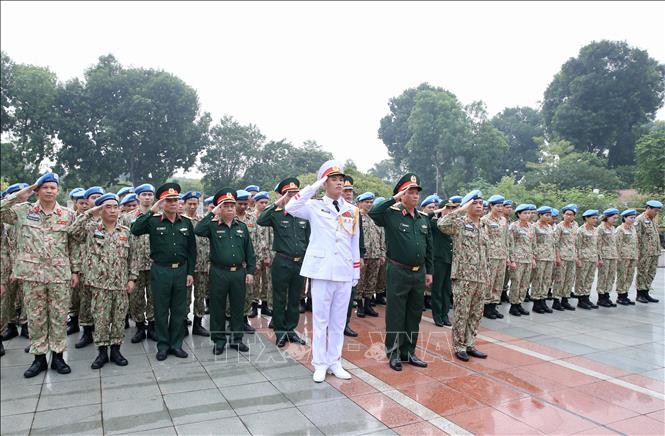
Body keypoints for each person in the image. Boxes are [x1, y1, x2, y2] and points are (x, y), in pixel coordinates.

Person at [285, 160, 360, 383]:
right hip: (321, 271)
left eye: (341, 180)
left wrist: (355, 271)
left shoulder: (352, 210)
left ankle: (334, 361)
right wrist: (314, 186)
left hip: (344, 271)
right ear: (324, 183)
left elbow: (354, 241)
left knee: (338, 321)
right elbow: (290, 207)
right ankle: (319, 363)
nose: (339, 183)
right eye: (333, 180)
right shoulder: (314, 206)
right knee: (320, 321)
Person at [1, 173, 79, 378]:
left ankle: (59, 356)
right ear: (37, 190)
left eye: (53, 187)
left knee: (59, 317)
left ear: (58, 191)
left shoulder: (68, 215)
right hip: (32, 275)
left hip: (59, 275)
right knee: (35, 318)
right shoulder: (22, 211)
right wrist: (20, 195)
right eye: (44, 187)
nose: (49, 190)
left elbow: (73, 245)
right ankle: (39, 359)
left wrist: (76, 271)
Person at [369, 173, 432, 371]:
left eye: (417, 193)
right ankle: (394, 353)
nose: (415, 196)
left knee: (414, 314)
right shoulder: (391, 215)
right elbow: (374, 213)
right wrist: (394, 199)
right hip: (398, 270)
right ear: (402, 194)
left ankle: (409, 352)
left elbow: (428, 247)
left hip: (418, 273)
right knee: (396, 314)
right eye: (410, 192)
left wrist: (428, 272)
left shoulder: (423, 218)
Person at [131, 183, 196, 361]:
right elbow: (135, 229)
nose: (173, 203)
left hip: (181, 271)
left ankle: (176, 345)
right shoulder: (152, 221)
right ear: (162, 202)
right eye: (168, 200)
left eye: (175, 200)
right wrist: (152, 210)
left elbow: (192, 250)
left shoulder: (186, 224)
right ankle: (162, 346)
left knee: (179, 309)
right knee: (160, 310)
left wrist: (190, 272)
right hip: (161, 270)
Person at [71, 193, 136, 369]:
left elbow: (133, 257)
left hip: (120, 284)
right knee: (100, 319)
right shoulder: (91, 229)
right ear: (100, 209)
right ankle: (101, 352)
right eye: (108, 206)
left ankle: (116, 350)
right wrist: (91, 211)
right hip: (98, 285)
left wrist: (132, 279)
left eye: (115, 206)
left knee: (118, 318)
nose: (113, 210)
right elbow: (72, 231)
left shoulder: (125, 232)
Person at [195, 188, 255, 354]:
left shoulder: (242, 227)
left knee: (237, 307)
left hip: (238, 273)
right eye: (225, 205)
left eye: (231, 205)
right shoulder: (212, 226)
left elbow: (249, 251)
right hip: (219, 272)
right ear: (219, 208)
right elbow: (198, 230)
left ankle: (237, 340)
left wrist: (250, 271)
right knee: (217, 308)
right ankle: (219, 341)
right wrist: (212, 213)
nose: (229, 208)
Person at [257, 179, 310, 347]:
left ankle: (290, 330)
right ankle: (279, 331)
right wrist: (278, 202)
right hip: (282, 261)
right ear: (283, 196)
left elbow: (308, 239)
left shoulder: (303, 215)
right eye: (289, 194)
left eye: (296, 194)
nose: (293, 197)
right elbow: (261, 220)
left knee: (295, 298)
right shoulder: (277, 214)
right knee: (279, 297)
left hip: (299, 262)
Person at [438, 189, 489, 361]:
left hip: (481, 276)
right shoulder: (459, 223)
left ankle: (470, 343)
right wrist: (460, 209)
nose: (479, 206)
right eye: (474, 203)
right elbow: (441, 224)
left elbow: (485, 252)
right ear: (467, 205)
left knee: (476, 312)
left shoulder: (484, 225)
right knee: (462, 312)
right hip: (463, 276)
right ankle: (459, 346)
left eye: (481, 203)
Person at [121, 183, 158, 343]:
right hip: (134, 264)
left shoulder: (160, 216)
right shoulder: (127, 217)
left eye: (150, 194)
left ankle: (153, 326)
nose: (147, 197)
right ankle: (140, 326)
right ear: (138, 197)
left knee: (154, 296)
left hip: (155, 263)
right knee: (136, 298)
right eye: (144, 194)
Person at [428, 198, 456, 327]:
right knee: (437, 289)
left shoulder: (454, 223)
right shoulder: (435, 222)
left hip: (450, 260)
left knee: (447, 289)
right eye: (448, 208)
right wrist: (438, 210)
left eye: (452, 208)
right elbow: (424, 216)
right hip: (438, 260)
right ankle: (437, 315)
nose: (450, 211)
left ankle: (445, 314)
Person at [480, 194, 508, 319]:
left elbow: (505, 239)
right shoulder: (484, 220)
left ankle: (494, 305)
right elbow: (482, 239)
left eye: (502, 206)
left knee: (498, 281)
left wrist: (507, 256)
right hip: (490, 256)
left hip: (501, 255)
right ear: (491, 206)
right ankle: (486, 307)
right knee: (489, 282)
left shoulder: (503, 220)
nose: (500, 208)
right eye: (498, 206)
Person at [235, 189, 258, 332]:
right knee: (233, 294)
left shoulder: (251, 218)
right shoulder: (230, 218)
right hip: (234, 263)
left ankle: (244, 320)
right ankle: (231, 320)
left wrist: (257, 260)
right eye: (240, 204)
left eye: (245, 204)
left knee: (248, 293)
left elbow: (257, 239)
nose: (243, 207)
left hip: (248, 263)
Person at [507, 204, 536, 316]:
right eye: (525, 213)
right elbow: (510, 243)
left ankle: (520, 303)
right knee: (516, 282)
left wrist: (533, 257)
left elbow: (533, 243)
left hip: (528, 259)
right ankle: (513, 305)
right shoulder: (514, 226)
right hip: (518, 259)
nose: (528, 215)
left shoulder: (531, 227)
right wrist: (512, 260)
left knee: (524, 283)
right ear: (518, 214)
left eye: (529, 213)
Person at [635, 200, 662, 303]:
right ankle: (640, 294)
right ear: (648, 208)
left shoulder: (653, 220)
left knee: (651, 272)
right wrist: (637, 253)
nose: (656, 212)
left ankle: (646, 292)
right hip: (644, 252)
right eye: (655, 210)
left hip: (654, 252)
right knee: (642, 272)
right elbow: (637, 237)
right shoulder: (639, 220)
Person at [552, 204, 578, 311]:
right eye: (567, 214)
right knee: (559, 279)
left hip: (571, 257)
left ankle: (565, 299)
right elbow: (556, 243)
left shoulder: (575, 227)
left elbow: (576, 243)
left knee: (569, 279)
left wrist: (576, 256)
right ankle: (556, 301)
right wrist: (557, 257)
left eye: (571, 215)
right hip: (562, 257)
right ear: (563, 215)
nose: (569, 216)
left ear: (574, 217)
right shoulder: (559, 227)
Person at [252, 191, 273, 316]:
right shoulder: (251, 218)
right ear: (255, 203)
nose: (264, 205)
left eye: (266, 202)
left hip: (268, 255)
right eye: (261, 202)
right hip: (255, 255)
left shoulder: (270, 218)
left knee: (267, 281)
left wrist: (269, 255)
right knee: (255, 282)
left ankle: (265, 304)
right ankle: (253, 305)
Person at [575, 210, 601, 310]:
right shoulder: (580, 230)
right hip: (583, 258)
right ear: (586, 218)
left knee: (589, 279)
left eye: (596, 218)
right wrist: (577, 259)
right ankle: (581, 300)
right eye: (593, 218)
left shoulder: (595, 230)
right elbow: (577, 246)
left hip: (592, 258)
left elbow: (597, 245)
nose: (595, 220)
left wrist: (599, 258)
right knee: (581, 279)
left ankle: (586, 297)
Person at [532, 206, 555, 313]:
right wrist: (533, 256)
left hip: (549, 257)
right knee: (538, 279)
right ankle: (536, 302)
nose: (548, 217)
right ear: (540, 215)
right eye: (546, 215)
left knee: (546, 279)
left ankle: (543, 300)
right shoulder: (534, 227)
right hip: (539, 257)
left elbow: (552, 244)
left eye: (550, 215)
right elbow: (532, 243)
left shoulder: (550, 227)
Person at [596, 208, 620, 307]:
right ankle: (601, 298)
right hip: (604, 256)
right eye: (613, 218)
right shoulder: (600, 228)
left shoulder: (613, 228)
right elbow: (597, 244)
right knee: (603, 277)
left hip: (612, 256)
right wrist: (599, 258)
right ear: (607, 217)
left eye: (616, 218)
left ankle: (607, 296)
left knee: (610, 277)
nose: (615, 220)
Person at [615, 209, 638, 305]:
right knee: (622, 276)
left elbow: (635, 242)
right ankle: (621, 296)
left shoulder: (633, 228)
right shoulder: (620, 229)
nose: (633, 219)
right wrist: (618, 258)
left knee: (629, 276)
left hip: (632, 256)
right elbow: (617, 244)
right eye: (631, 217)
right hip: (623, 257)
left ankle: (625, 294)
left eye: (634, 217)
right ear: (624, 218)